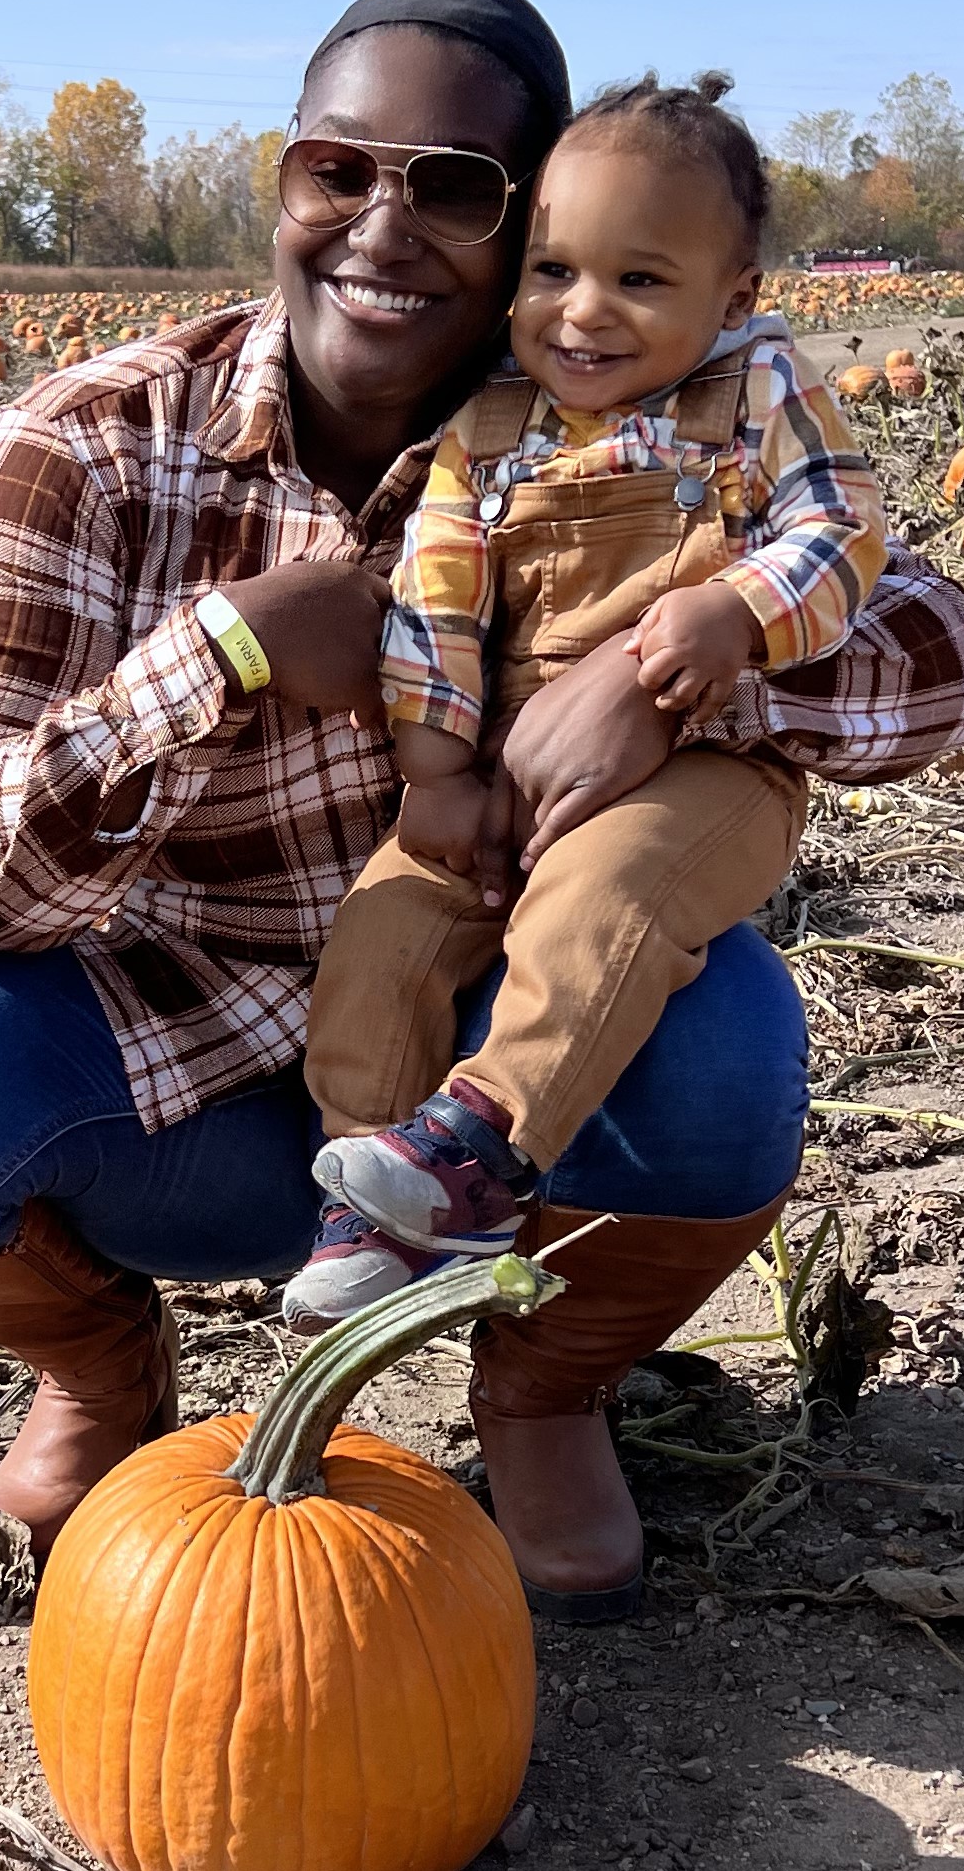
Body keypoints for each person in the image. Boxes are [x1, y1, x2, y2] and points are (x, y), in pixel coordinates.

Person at [0, 0, 811, 1621]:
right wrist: (220, 653)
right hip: (165, 1052)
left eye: (451, 188)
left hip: (482, 1073)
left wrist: (682, 661)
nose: (380, 226)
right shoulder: (89, 444)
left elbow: (932, 657)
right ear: (283, 183)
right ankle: (105, 1376)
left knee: (732, 1047)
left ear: (529, 227)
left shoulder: (648, 437)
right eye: (336, 171)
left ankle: (539, 1392)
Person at [288, 73, 883, 1327]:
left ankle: (484, 1154)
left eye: (641, 281)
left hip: (700, 776)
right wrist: (439, 768)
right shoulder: (489, 426)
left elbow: (842, 528)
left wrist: (738, 612)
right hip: (500, 763)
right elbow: (436, 595)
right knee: (384, 930)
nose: (583, 313)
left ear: (736, 297)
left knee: (598, 905)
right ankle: (369, 1189)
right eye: (552, 271)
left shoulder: (754, 391)